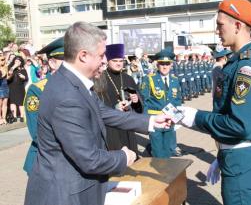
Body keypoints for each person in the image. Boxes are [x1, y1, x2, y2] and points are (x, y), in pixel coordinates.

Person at [24, 22, 171, 205]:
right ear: (83, 56)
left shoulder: (74, 83)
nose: (104, 61)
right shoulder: (67, 96)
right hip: (65, 195)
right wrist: (123, 157)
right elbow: (89, 159)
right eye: (101, 55)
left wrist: (151, 121)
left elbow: (105, 113)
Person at [179, 0, 251, 205]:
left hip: (243, 160)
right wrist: (223, 153)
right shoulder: (247, 61)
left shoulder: (245, 67)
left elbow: (239, 124)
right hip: (241, 156)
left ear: (238, 25)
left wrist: (196, 117)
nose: (217, 30)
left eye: (220, 25)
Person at [23, 37, 65, 176]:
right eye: (65, 60)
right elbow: (36, 132)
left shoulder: (77, 87)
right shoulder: (37, 90)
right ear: (52, 63)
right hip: (46, 161)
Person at [94, 43, 142, 155]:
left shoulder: (128, 78)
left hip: (127, 125)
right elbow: (98, 105)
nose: (118, 64)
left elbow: (139, 106)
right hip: (111, 128)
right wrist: (114, 108)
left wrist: (136, 101)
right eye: (115, 61)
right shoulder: (100, 79)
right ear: (108, 61)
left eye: (121, 61)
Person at [140, 48, 182, 158]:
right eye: (162, 64)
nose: (165, 66)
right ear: (157, 65)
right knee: (158, 151)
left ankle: (168, 173)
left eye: (167, 64)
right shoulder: (149, 79)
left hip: (170, 120)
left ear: (171, 65)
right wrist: (147, 120)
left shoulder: (175, 80)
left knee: (168, 150)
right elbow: (143, 100)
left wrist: (177, 117)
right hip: (156, 120)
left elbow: (177, 99)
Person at [7, 56, 28, 122]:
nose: (17, 62)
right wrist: (13, 67)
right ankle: (14, 116)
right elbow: (9, 74)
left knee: (21, 102)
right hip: (12, 87)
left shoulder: (23, 69)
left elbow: (26, 78)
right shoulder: (11, 68)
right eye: (16, 61)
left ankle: (22, 116)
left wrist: (23, 77)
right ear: (14, 61)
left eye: (19, 61)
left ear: (21, 62)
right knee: (12, 102)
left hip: (20, 88)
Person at [0, 52, 9, 125]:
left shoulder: (6, 67)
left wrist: (10, 74)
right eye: (1, 60)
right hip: (0, 85)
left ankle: (4, 118)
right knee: (0, 103)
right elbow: (2, 76)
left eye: (4, 59)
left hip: (5, 85)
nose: (3, 61)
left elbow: (7, 78)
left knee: (5, 103)